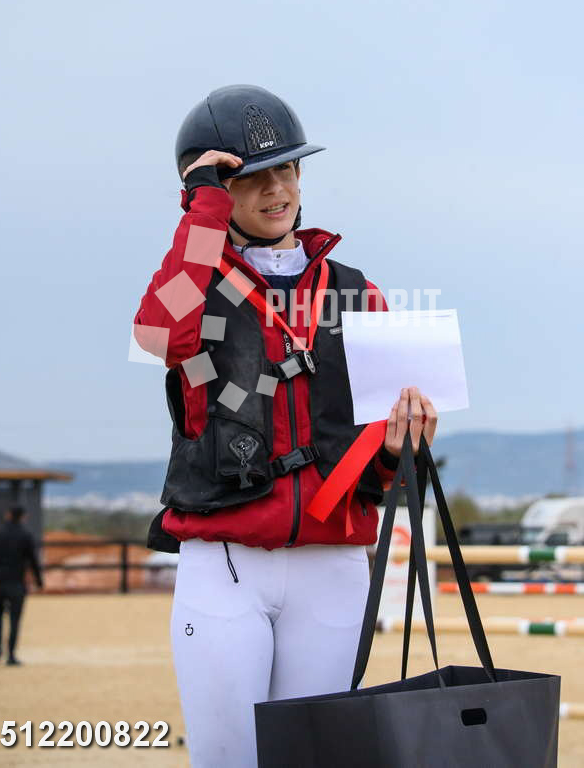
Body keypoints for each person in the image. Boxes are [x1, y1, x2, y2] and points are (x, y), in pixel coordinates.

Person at [134, 84, 437, 767]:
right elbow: (160, 333)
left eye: (288, 169)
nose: (277, 189)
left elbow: (373, 451)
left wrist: (396, 449)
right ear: (213, 190)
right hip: (227, 563)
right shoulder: (191, 283)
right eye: (251, 176)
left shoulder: (358, 291)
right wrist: (201, 212)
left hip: (333, 566)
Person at [0, 505, 43, 665]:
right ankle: (11, 654)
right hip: (16, 583)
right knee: (14, 618)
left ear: (8, 515)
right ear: (23, 517)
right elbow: (33, 560)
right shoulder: (25, 535)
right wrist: (39, 581)